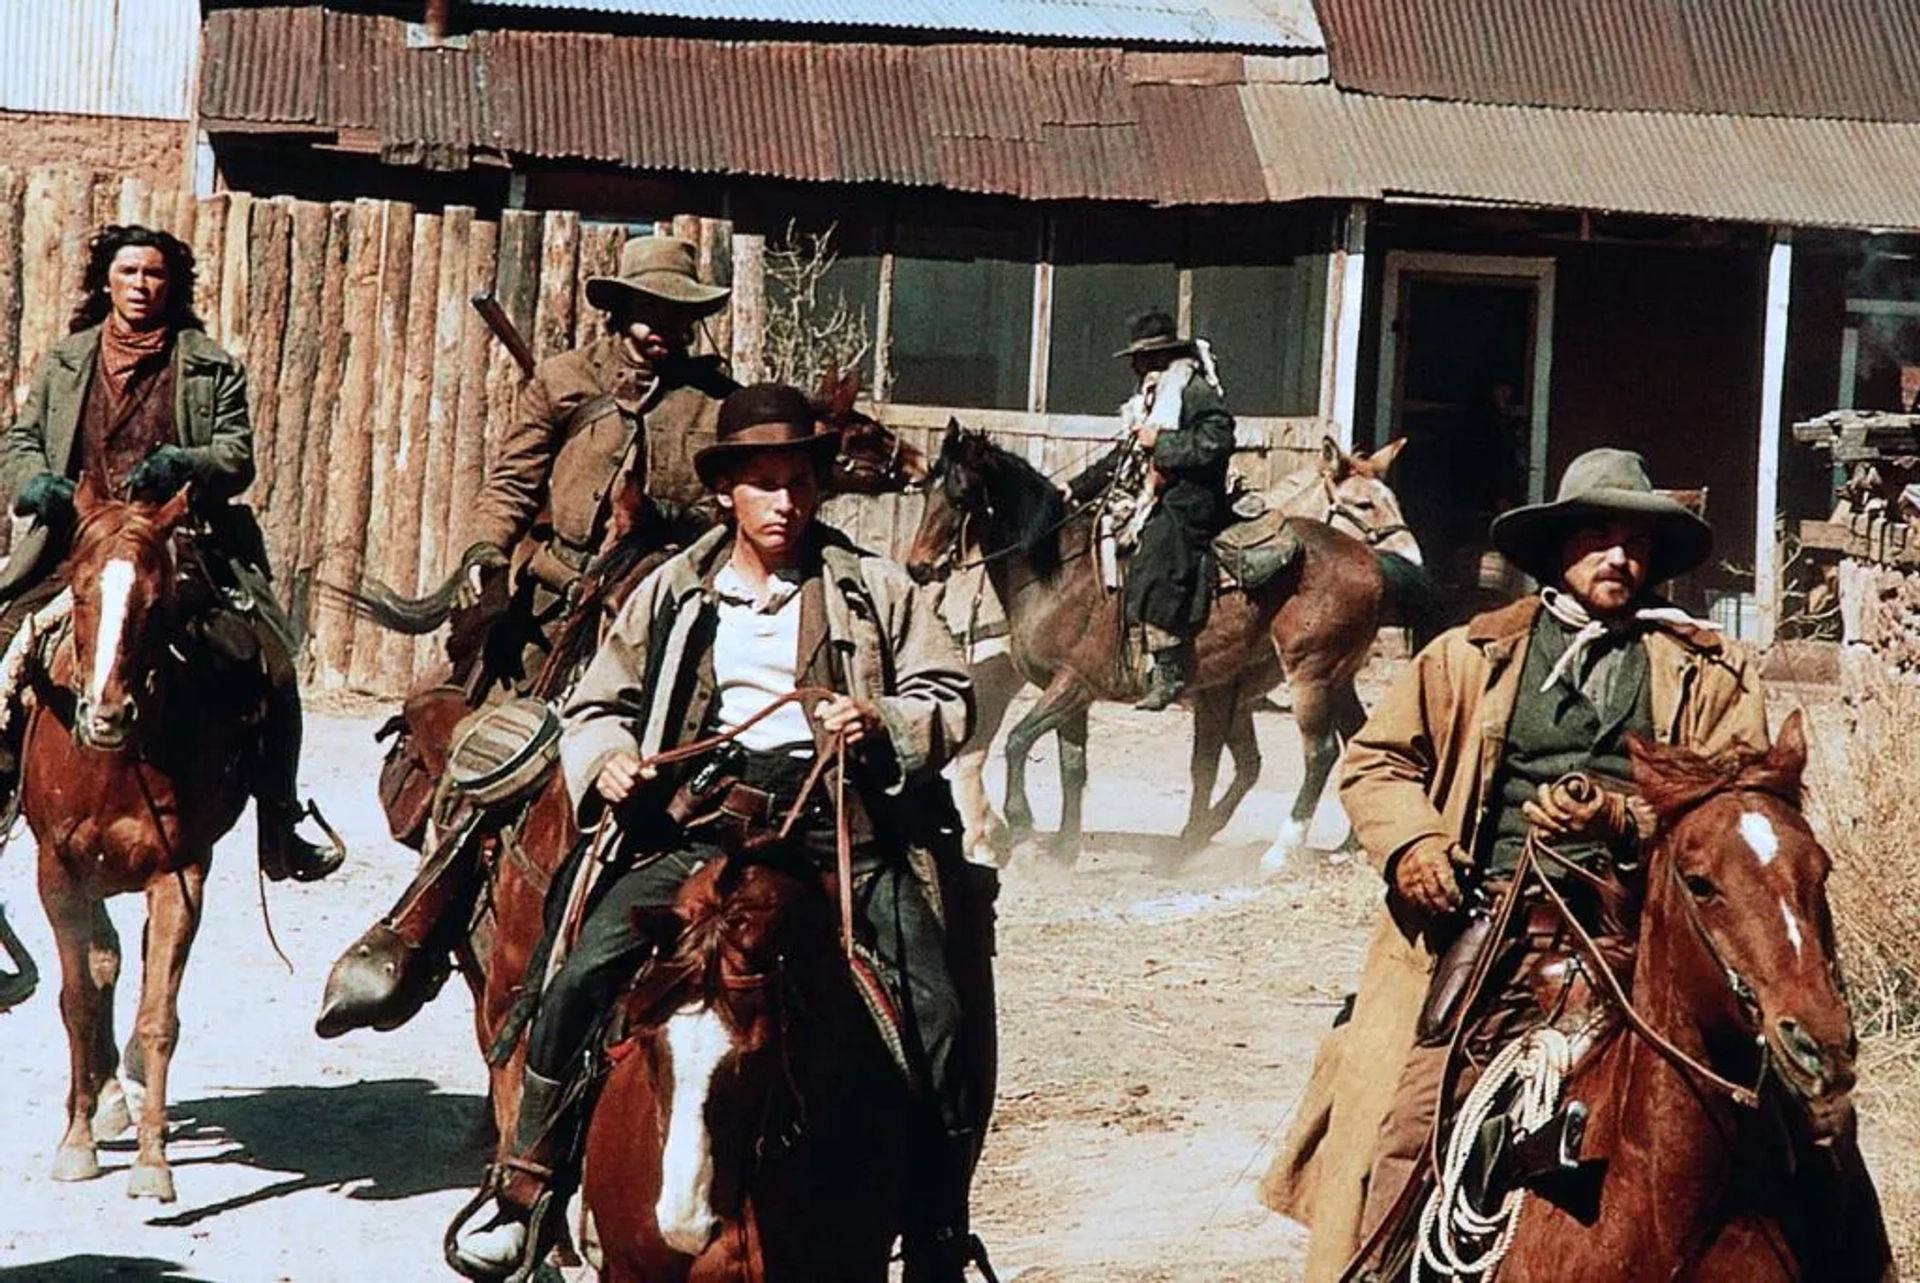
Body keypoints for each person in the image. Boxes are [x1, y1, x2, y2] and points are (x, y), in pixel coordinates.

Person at [450, 383, 982, 1281]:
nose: (785, 502)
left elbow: (951, 697)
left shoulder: (874, 588)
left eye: (801, 482)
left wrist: (883, 719)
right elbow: (595, 704)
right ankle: (528, 1186)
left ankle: (933, 1220)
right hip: (699, 826)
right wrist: (609, 758)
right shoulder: (675, 591)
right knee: (579, 972)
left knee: (933, 1003)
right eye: (764, 482)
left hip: (834, 827)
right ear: (726, 491)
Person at [1264, 447, 1770, 1279]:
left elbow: (1740, 794)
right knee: (1405, 1129)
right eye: (1600, 535)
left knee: (1754, 1139)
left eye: (1637, 542)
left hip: (1645, 938)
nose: (1619, 555)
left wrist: (1628, 816)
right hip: (1489, 930)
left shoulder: (1704, 672)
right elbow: (1377, 763)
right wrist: (1415, 846)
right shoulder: (1471, 655)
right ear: (1560, 547)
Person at [0, 224, 340, 882]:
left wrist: (190, 463)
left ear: (172, 285)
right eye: (129, 272)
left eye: (154, 274)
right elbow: (20, 439)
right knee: (4, 640)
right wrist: (35, 481)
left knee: (271, 664)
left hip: (179, 540)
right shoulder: (67, 360)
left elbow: (237, 456)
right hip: (81, 540)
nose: (141, 286)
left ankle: (280, 819)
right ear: (107, 279)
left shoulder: (210, 365)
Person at [455, 234, 736, 693]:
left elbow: (725, 509)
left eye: (675, 309)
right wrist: (485, 544)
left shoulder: (720, 403)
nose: (662, 323)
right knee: (497, 735)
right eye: (649, 309)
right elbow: (513, 481)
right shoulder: (564, 378)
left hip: (673, 592)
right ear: (622, 308)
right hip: (560, 589)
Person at [1106, 310, 1235, 711]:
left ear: (1159, 357)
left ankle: (1169, 667)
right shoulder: (1151, 396)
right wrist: (1071, 489)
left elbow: (1218, 438)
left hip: (1193, 497)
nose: (1133, 365)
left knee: (1159, 549)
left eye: (1140, 357)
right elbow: (1127, 453)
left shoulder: (1191, 388)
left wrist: (1159, 446)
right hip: (1159, 492)